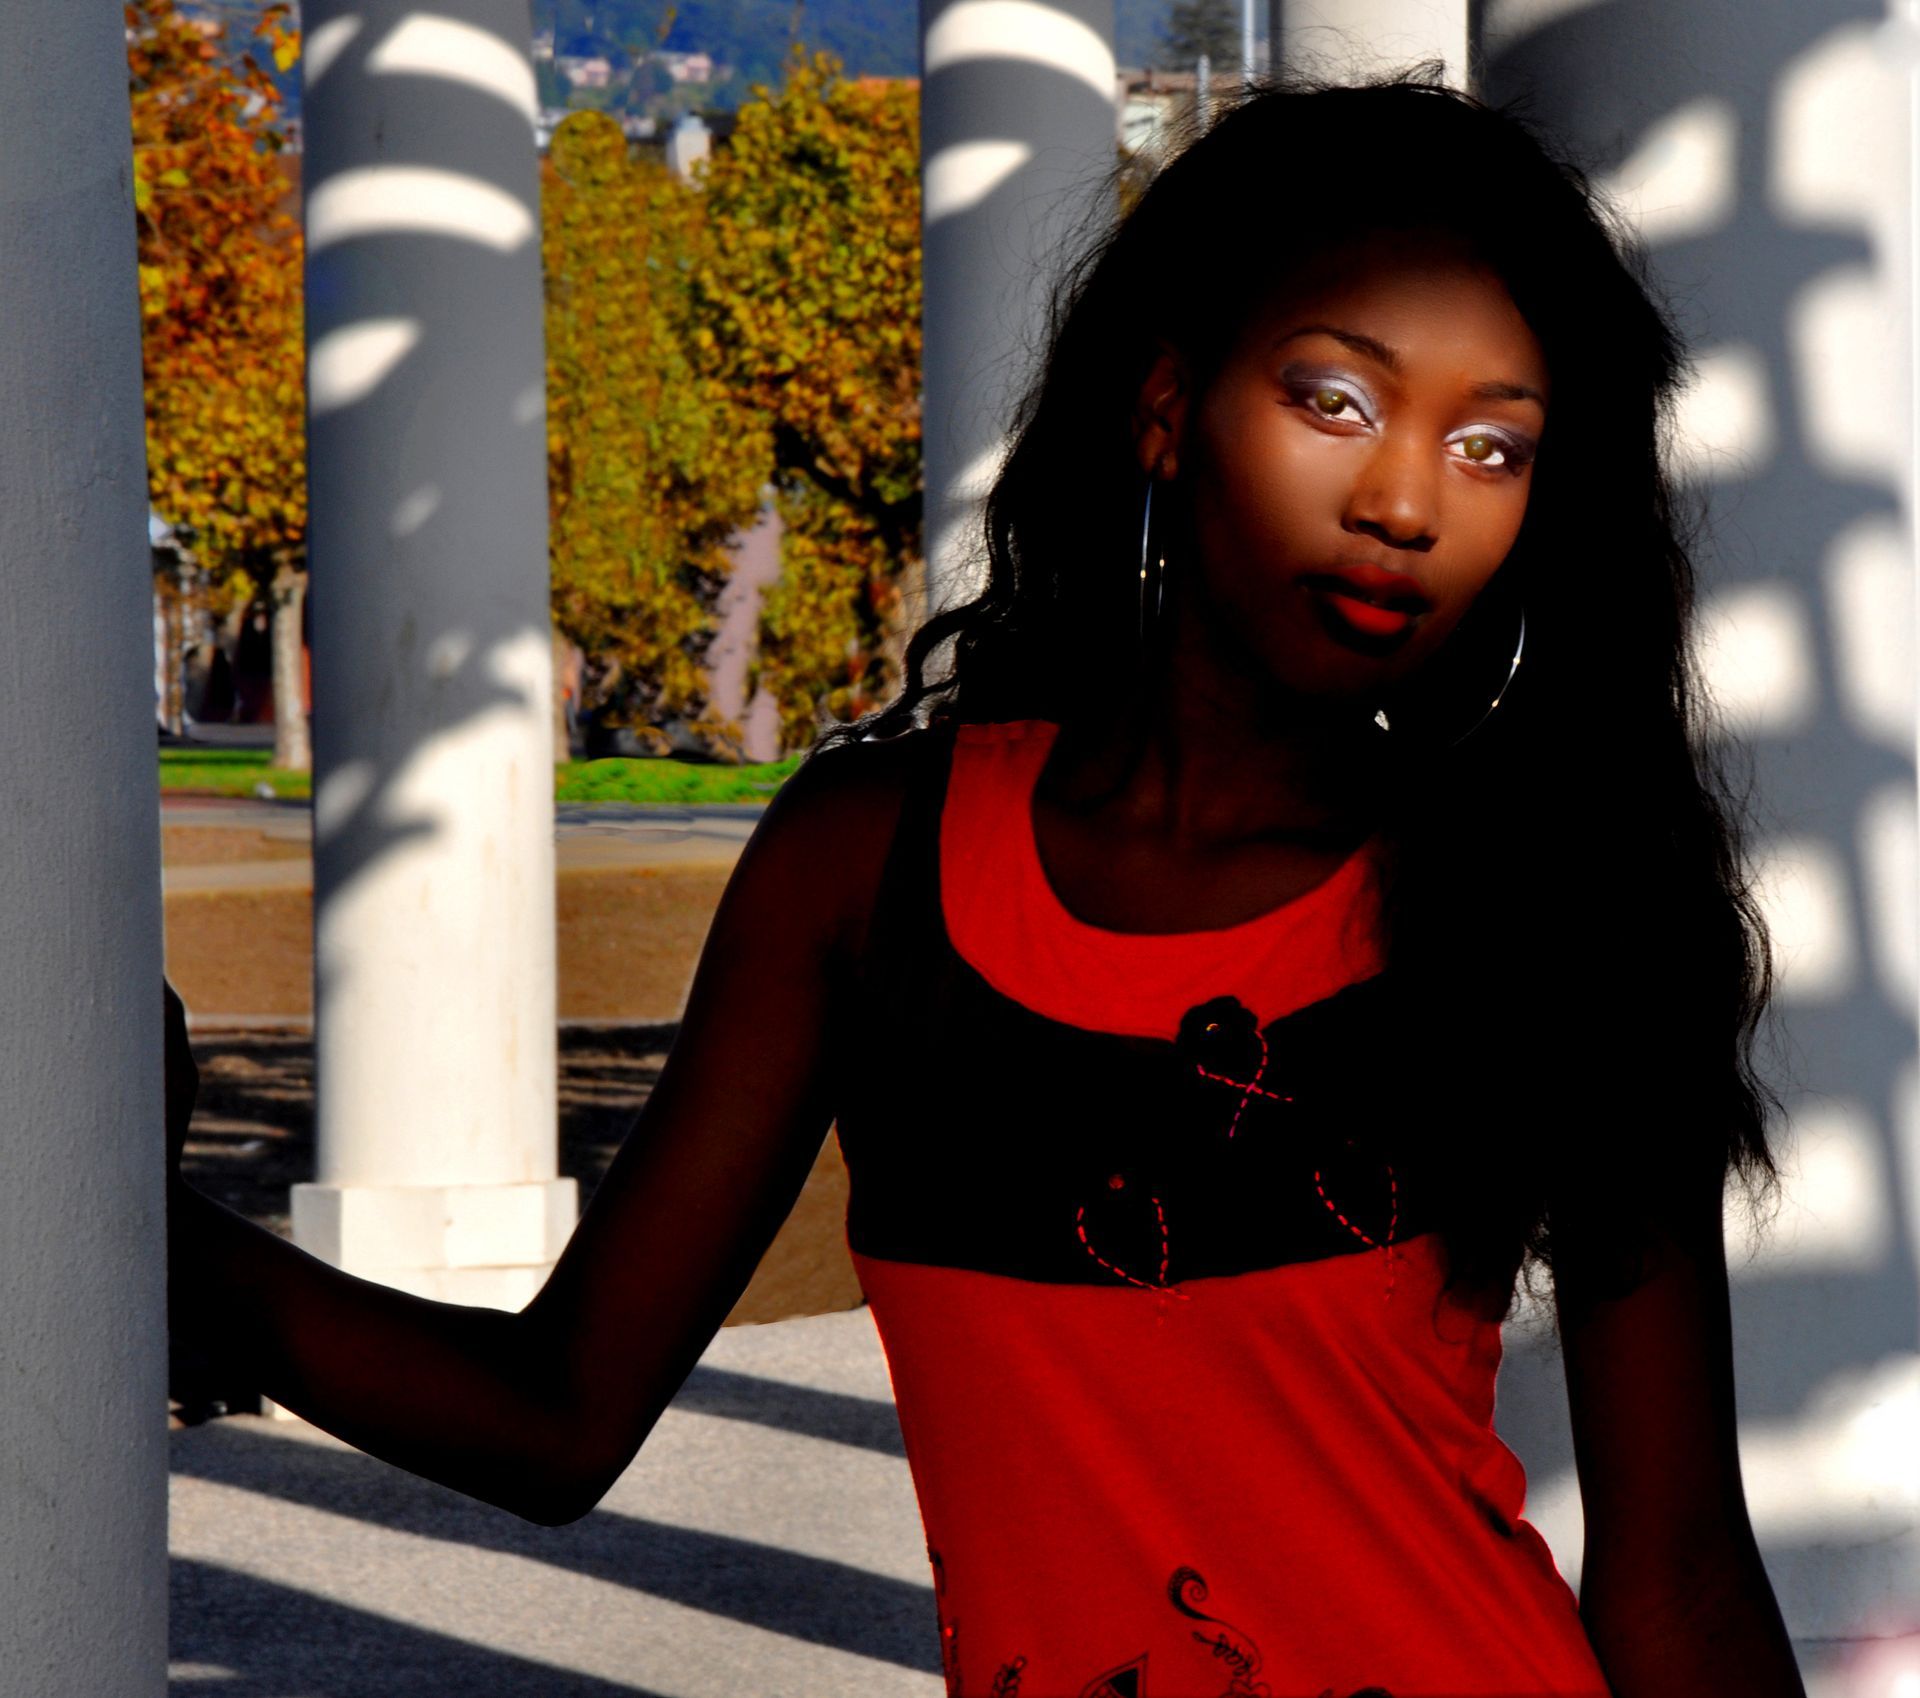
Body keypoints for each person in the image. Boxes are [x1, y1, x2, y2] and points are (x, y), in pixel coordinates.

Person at [164, 69, 1810, 1698]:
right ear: (1166, 406)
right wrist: (138, 1223)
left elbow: (1677, 1578)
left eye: (1490, 444)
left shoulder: (1554, 900)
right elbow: (553, 1415)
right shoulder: (865, 868)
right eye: (1335, 399)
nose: (1403, 500)